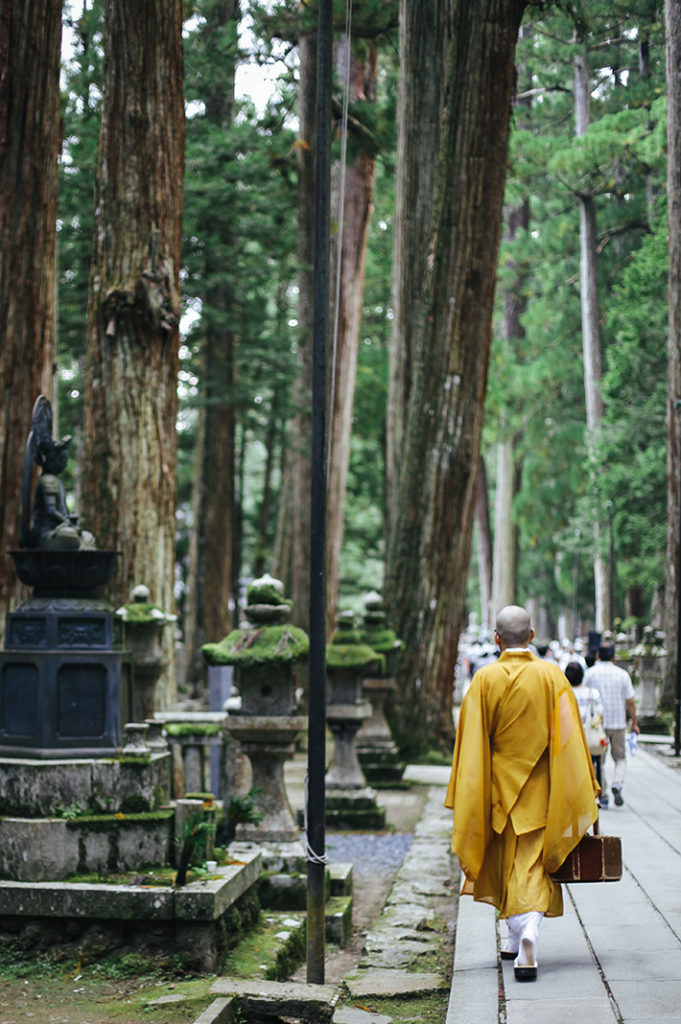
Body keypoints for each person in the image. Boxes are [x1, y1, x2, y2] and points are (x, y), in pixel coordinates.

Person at [445, 605, 599, 982]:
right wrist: (585, 786)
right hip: (542, 788)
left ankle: (523, 931)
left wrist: (471, 788)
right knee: (530, 863)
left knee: (506, 861)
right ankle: (522, 934)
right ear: (531, 636)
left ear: (497, 639)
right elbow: (570, 739)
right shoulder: (552, 676)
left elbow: (471, 741)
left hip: (498, 789)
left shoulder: (483, 680)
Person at [584, 642, 640, 807]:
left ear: (597, 656)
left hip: (597, 724)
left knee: (598, 761)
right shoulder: (622, 674)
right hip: (618, 722)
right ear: (614, 656)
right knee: (620, 757)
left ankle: (604, 793)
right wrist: (634, 722)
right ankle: (618, 782)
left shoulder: (590, 673)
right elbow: (630, 701)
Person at [564, 660, 607, 797]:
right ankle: (597, 793)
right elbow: (600, 714)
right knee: (594, 765)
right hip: (589, 735)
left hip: (570, 736)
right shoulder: (592, 693)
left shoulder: (564, 692)